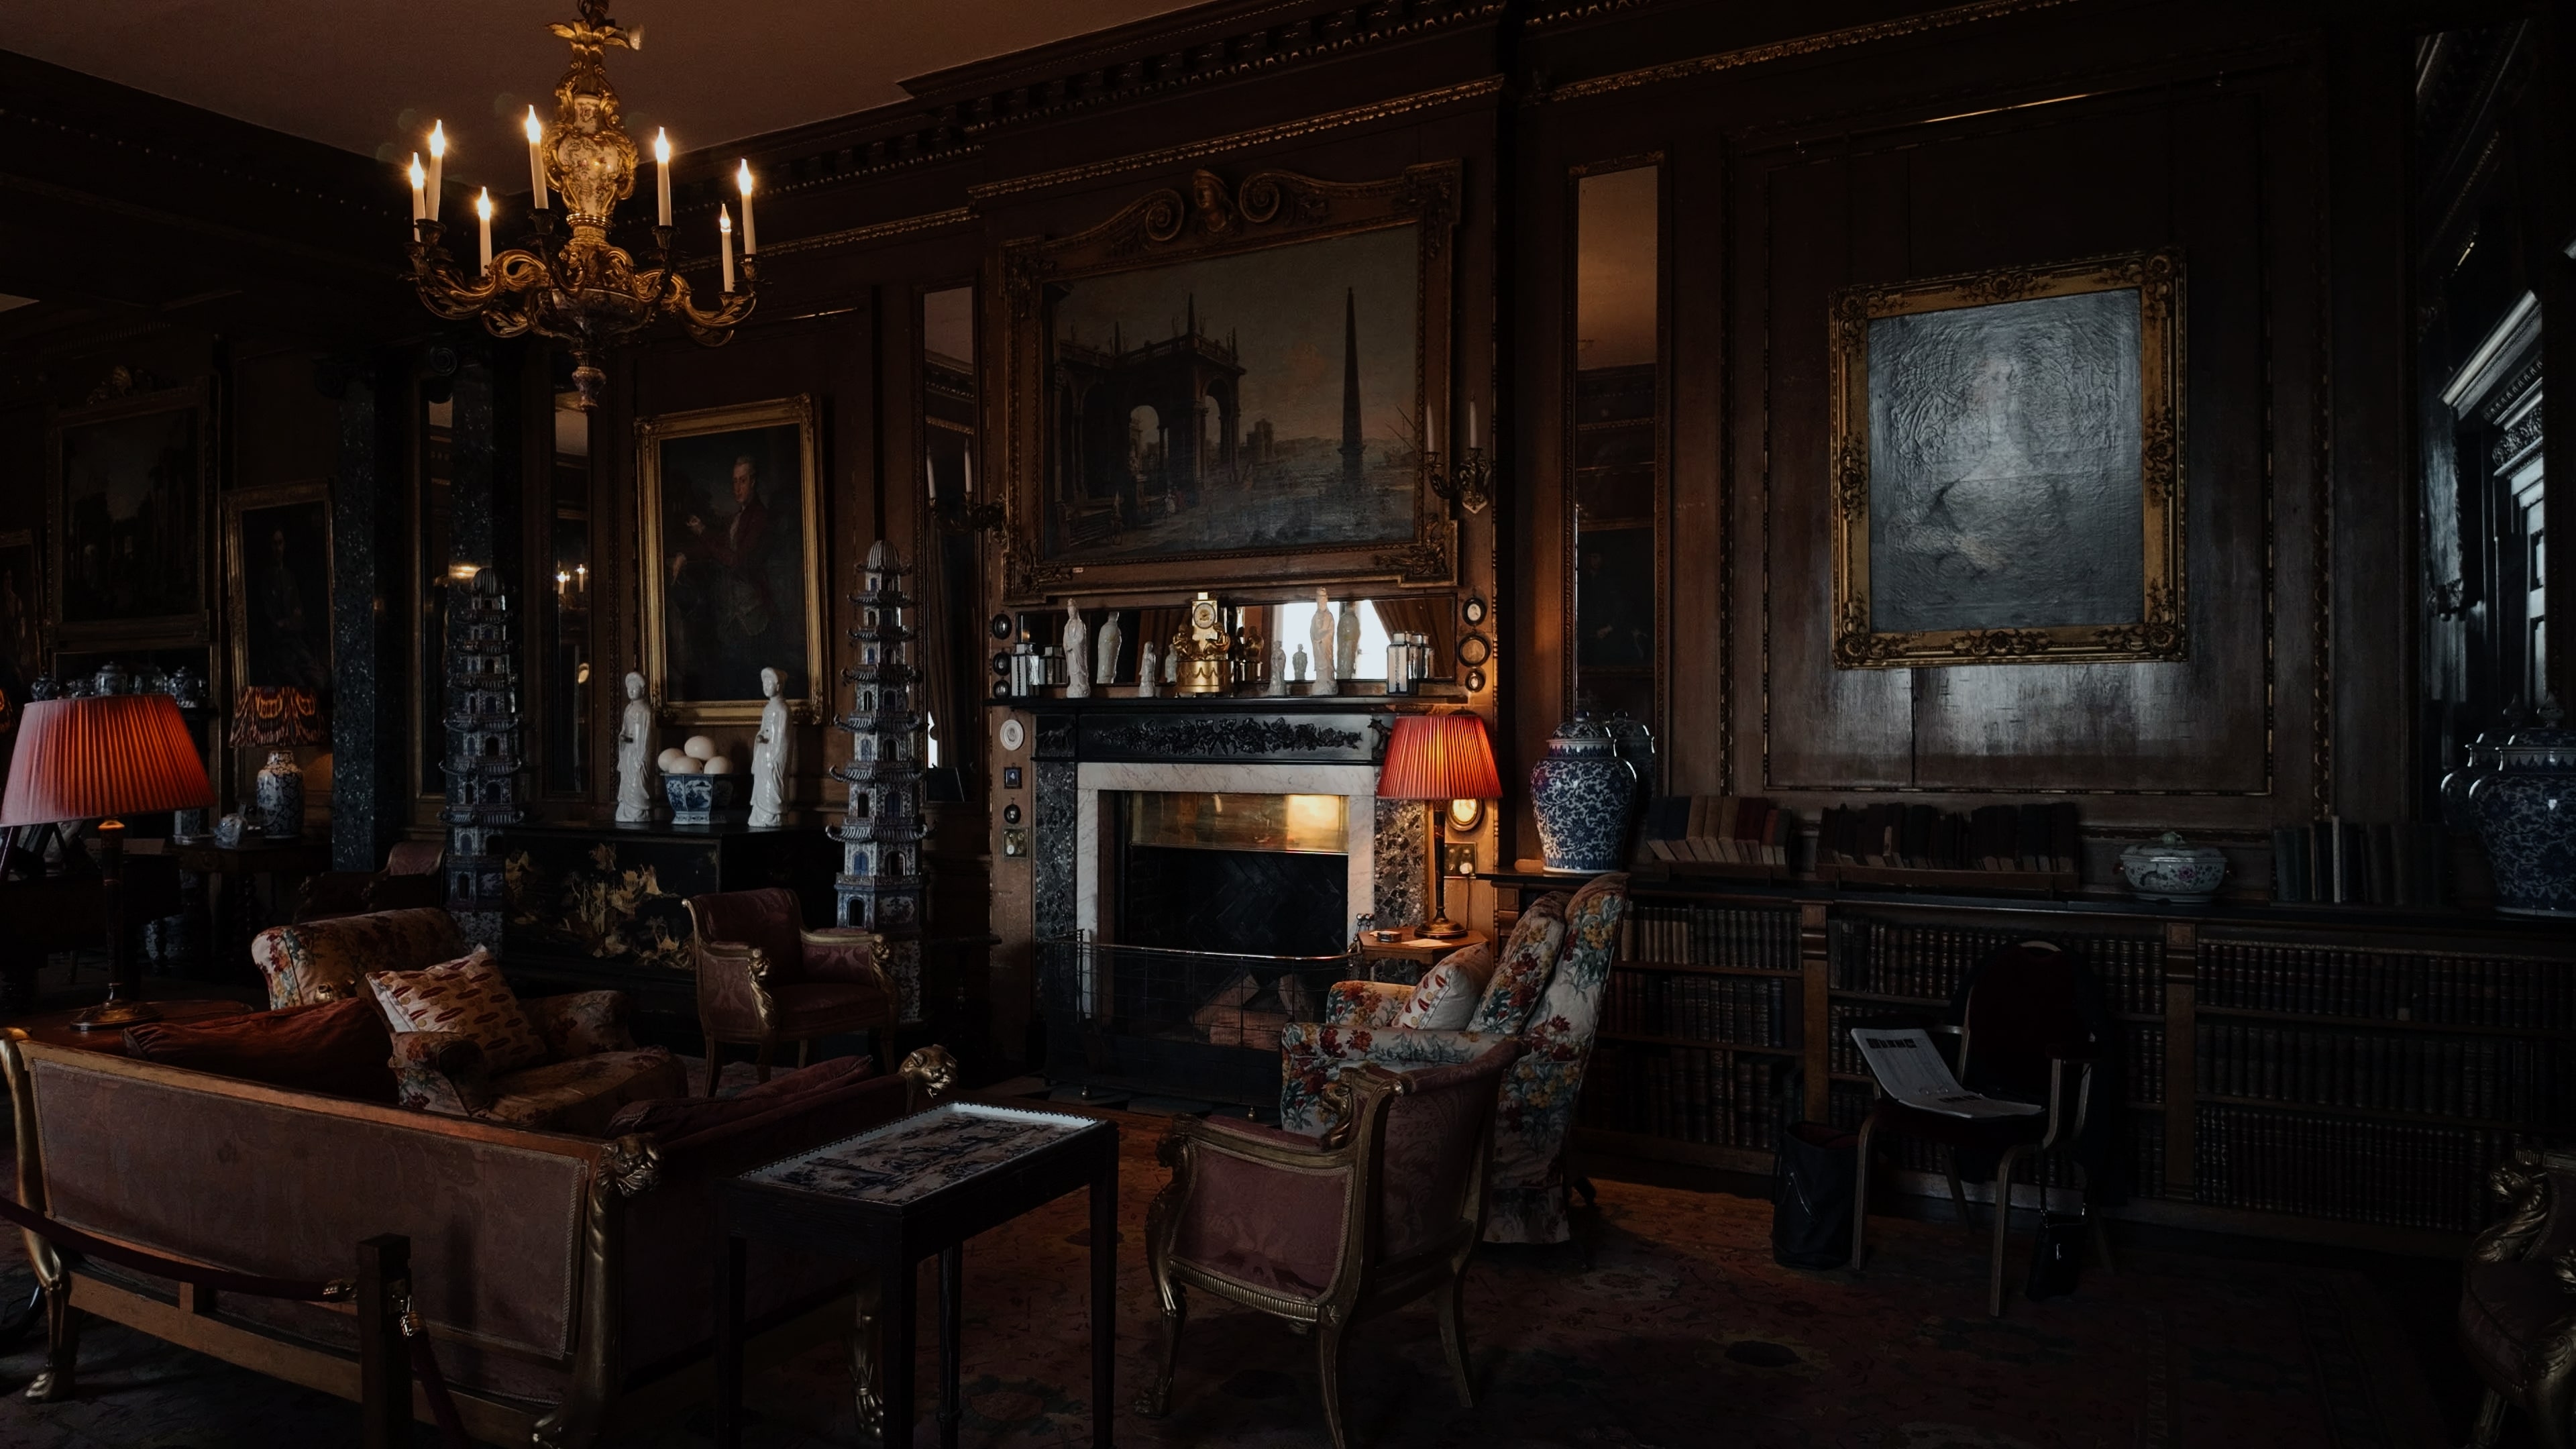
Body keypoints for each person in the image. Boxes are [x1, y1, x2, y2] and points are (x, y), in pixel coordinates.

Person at [614, 671, 656, 822]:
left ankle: (639, 811)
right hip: (628, 753)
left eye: (635, 688)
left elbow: (644, 738)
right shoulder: (628, 709)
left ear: (642, 690)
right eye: (629, 688)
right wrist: (623, 737)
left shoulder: (644, 711)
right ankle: (627, 809)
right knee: (627, 780)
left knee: (638, 781)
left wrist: (641, 756)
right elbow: (625, 730)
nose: (631, 691)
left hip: (639, 754)